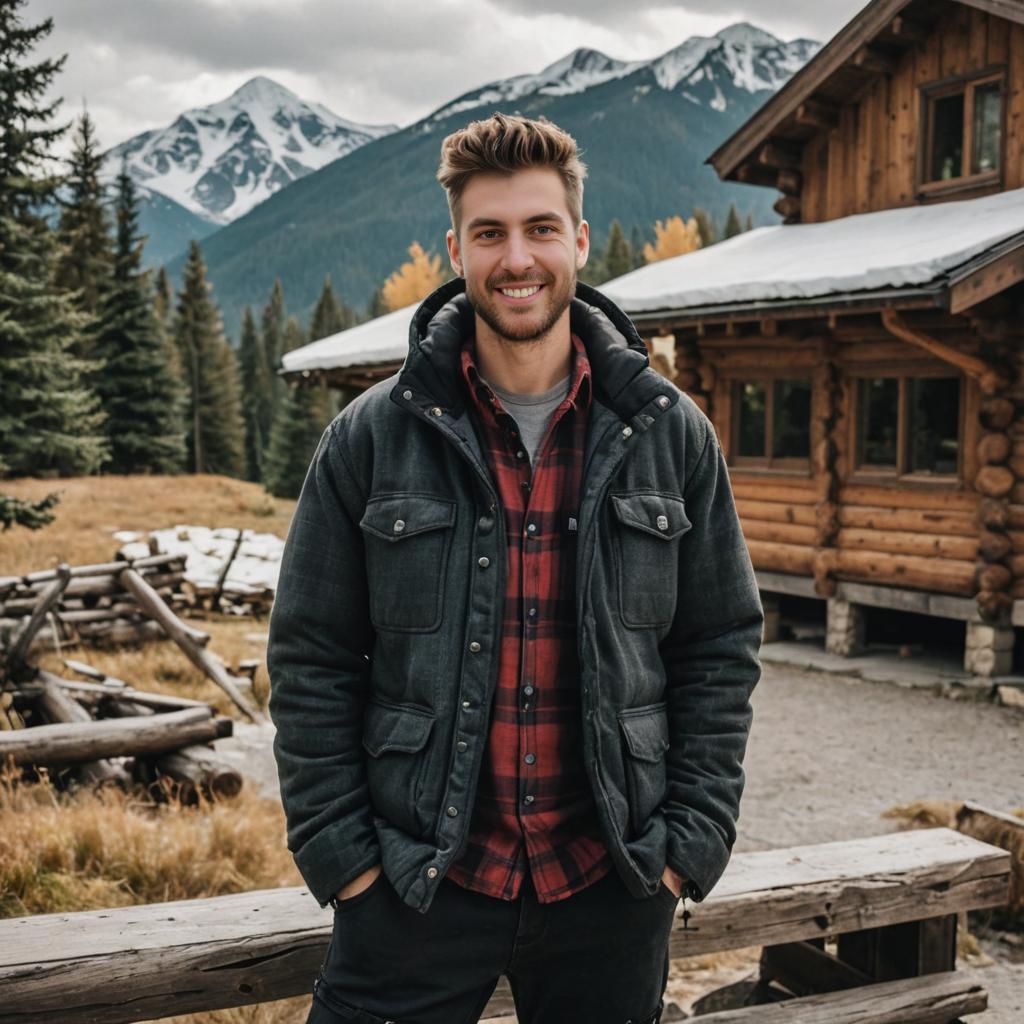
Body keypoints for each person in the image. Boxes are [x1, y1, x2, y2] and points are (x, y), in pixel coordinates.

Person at [267, 111, 763, 1024]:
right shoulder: (372, 437)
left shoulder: (670, 433)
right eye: (489, 233)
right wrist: (349, 863)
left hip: (611, 885)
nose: (517, 258)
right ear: (455, 249)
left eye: (539, 229)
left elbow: (720, 647)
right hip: (415, 887)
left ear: (577, 238)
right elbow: (310, 658)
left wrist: (685, 847)